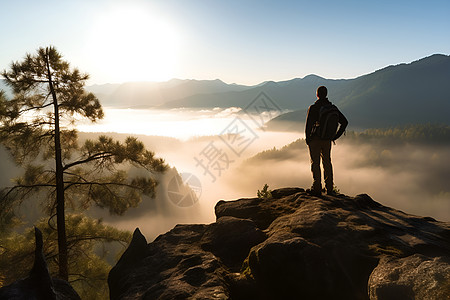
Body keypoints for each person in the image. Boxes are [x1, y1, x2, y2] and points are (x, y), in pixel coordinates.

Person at [305, 86, 348, 196]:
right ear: (326, 94)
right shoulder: (332, 108)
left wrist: (308, 139)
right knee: (327, 163)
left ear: (317, 95)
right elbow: (344, 122)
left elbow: (308, 125)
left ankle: (317, 188)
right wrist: (334, 136)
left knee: (315, 163)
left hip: (315, 139)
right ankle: (329, 188)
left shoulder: (314, 108)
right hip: (327, 140)